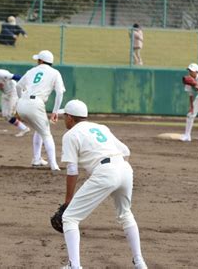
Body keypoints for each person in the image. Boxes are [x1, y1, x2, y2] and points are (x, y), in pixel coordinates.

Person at [58, 99, 147, 269]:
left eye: (64, 117)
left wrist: (68, 201)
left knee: (69, 217)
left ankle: (74, 266)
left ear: (70, 117)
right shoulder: (101, 127)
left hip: (106, 172)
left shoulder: (70, 135)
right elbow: (126, 150)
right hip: (125, 168)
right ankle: (139, 262)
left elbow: (72, 170)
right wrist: (118, 172)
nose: (64, 120)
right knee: (125, 214)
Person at [16, 50, 65, 171]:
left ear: (41, 61)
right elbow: (59, 92)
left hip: (22, 103)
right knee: (46, 134)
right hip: (36, 103)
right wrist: (55, 111)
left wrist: (20, 101)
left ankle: (37, 159)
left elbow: (18, 86)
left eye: (38, 59)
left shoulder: (31, 71)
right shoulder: (55, 72)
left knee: (39, 129)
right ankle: (54, 165)